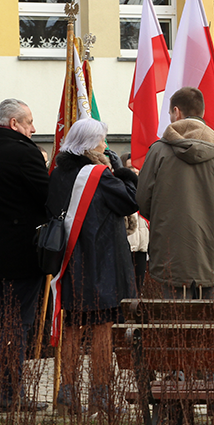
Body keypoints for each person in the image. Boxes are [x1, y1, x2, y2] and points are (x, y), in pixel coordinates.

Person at [47, 118, 138, 415]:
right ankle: (101, 395)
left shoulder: (58, 173)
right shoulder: (98, 174)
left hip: (69, 261)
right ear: (89, 144)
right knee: (101, 329)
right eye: (101, 140)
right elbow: (130, 201)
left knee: (72, 326)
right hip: (102, 263)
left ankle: (67, 393)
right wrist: (122, 171)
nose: (105, 145)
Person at [137, 87, 214, 299]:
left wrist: (166, 219)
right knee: (211, 326)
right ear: (202, 113)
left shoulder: (158, 152)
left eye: (170, 113)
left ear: (177, 112)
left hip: (171, 251)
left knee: (174, 325)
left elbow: (143, 200)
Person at [0, 99, 49, 412]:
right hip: (17, 256)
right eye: (29, 122)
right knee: (15, 326)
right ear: (14, 124)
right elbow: (48, 198)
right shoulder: (23, 152)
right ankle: (8, 394)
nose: (33, 128)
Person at [120, 153, 149, 293]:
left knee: (140, 285)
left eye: (137, 167)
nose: (135, 171)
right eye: (131, 167)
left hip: (142, 246)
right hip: (127, 245)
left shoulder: (144, 187)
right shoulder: (121, 188)